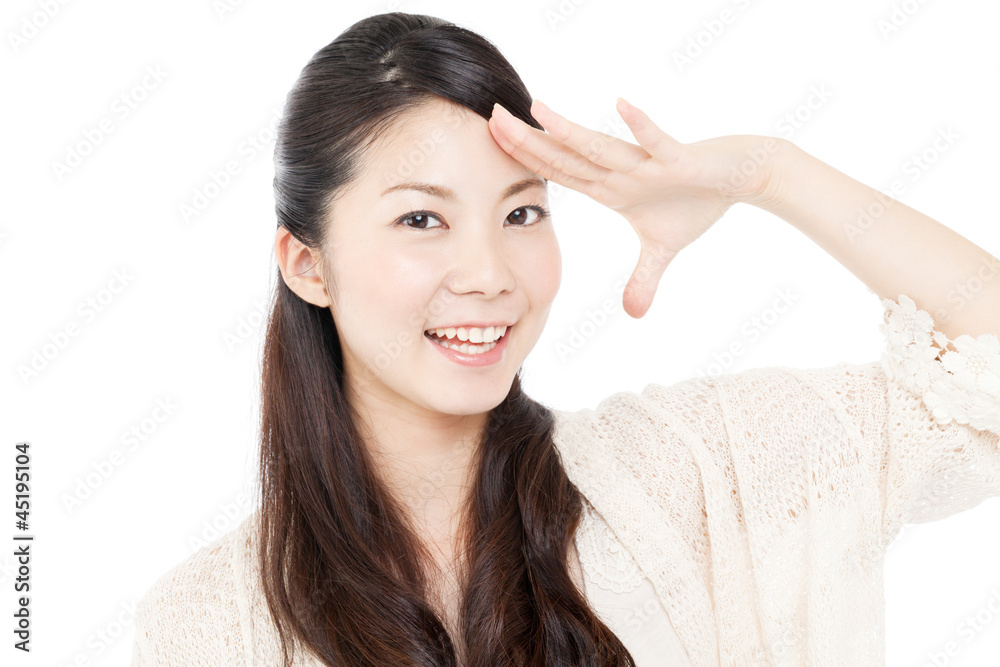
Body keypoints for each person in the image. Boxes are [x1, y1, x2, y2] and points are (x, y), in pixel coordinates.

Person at [129, 11, 1000, 667]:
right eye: (422, 218)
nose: (488, 273)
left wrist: (769, 173)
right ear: (308, 265)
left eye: (521, 213)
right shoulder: (206, 625)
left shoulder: (690, 475)